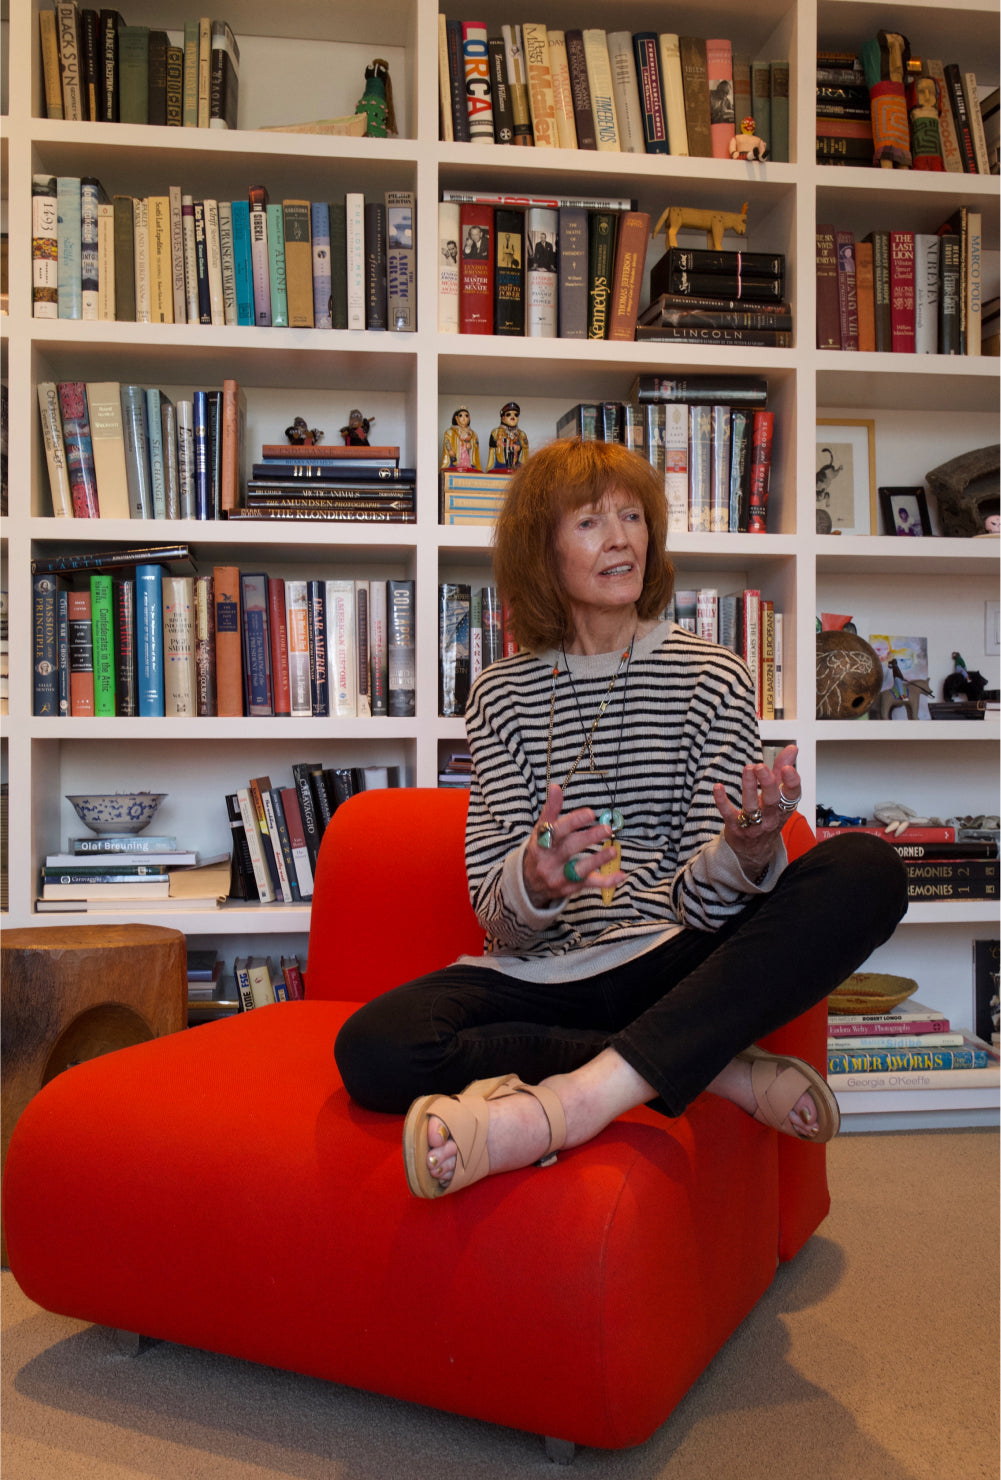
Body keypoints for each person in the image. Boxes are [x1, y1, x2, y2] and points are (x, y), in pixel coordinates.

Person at [335, 439, 908, 1200]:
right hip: (546, 973)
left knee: (867, 870)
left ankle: (572, 1104)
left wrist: (743, 848)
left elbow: (704, 909)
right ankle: (711, 1068)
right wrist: (536, 880)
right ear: (542, 552)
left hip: (675, 960)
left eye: (632, 517)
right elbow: (499, 921)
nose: (620, 539)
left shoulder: (712, 676)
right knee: (374, 1048)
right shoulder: (500, 695)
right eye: (589, 522)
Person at [486, 402, 530, 471]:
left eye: (516, 415)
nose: (513, 417)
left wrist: (519, 448)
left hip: (516, 467)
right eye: (509, 414)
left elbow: (525, 450)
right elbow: (491, 444)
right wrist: (497, 443)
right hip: (500, 465)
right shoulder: (496, 432)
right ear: (503, 418)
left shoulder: (522, 434)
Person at [440, 406, 481, 470]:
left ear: (469, 418)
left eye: (466, 416)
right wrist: (450, 450)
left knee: (469, 467)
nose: (464, 418)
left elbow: (476, 445)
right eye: (461, 416)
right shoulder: (450, 432)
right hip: (456, 457)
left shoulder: (473, 434)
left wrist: (471, 445)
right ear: (456, 418)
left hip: (467, 455)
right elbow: (447, 441)